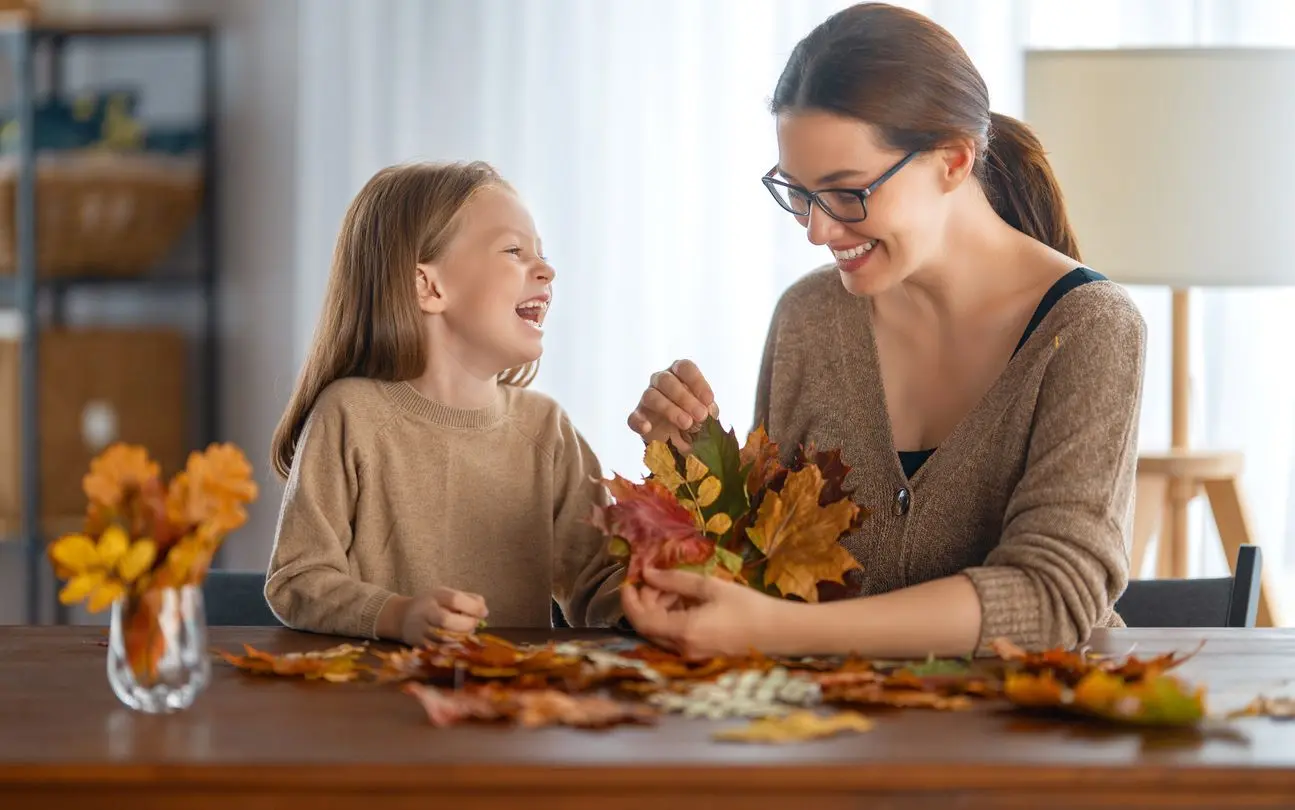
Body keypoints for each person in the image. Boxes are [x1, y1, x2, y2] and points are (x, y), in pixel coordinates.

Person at [621, 2, 1145, 659]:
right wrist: (698, 469)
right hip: (831, 736)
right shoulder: (809, 317)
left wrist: (773, 630)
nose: (816, 231)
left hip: (1028, 739)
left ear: (952, 160)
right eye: (798, 192)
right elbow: (776, 568)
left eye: (847, 192)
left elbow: (1050, 598)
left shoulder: (1088, 328)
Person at [265, 160, 625, 645]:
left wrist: (666, 588)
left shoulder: (547, 430)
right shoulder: (349, 415)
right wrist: (397, 616)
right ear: (428, 286)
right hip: (375, 709)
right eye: (514, 251)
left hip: (513, 710)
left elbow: (598, 584)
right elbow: (297, 578)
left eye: (540, 253)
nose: (546, 269)